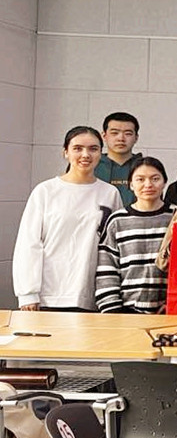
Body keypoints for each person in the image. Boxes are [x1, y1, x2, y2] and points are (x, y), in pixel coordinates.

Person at [13, 126, 123, 312]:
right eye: (77, 148)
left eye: (93, 149)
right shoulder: (46, 191)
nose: (85, 155)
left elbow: (116, 246)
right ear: (65, 152)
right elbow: (29, 243)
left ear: (100, 154)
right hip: (49, 296)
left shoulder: (110, 193)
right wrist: (28, 293)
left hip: (94, 297)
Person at [95, 156, 173, 314]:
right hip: (125, 312)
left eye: (155, 179)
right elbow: (107, 267)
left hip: (170, 312)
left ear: (165, 182)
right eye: (140, 179)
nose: (148, 185)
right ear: (131, 184)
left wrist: (175, 304)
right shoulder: (117, 220)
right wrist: (113, 310)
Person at [95, 112, 141, 206]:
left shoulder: (145, 167)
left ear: (136, 138)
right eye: (114, 133)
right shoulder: (91, 166)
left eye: (128, 134)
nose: (121, 138)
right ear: (104, 136)